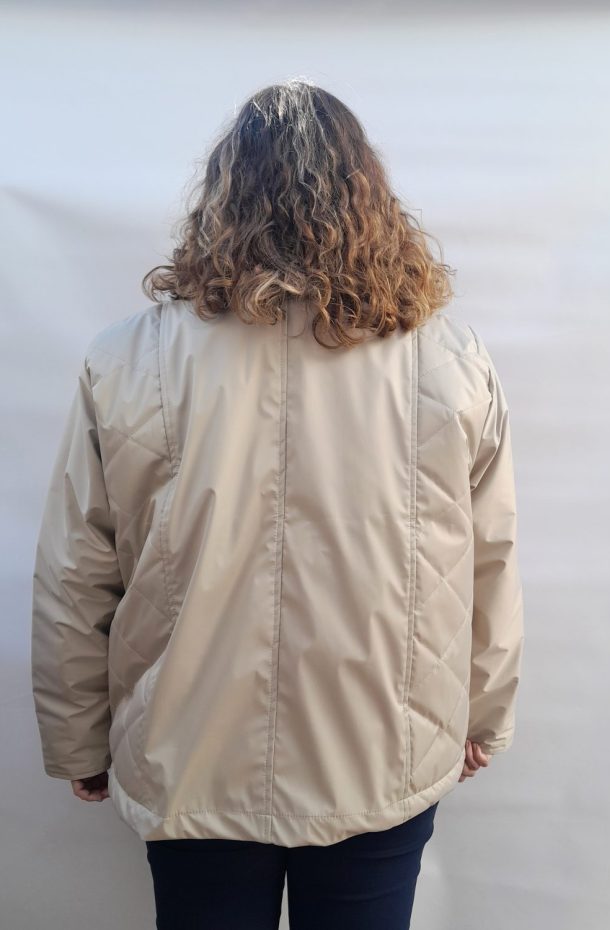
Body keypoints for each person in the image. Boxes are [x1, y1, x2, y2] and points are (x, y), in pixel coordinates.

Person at [31, 79, 524, 929]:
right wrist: (484, 709)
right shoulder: (450, 362)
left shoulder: (126, 360)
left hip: (191, 754)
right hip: (380, 754)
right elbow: (489, 556)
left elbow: (78, 568)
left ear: (223, 196)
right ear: (367, 193)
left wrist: (77, 733)